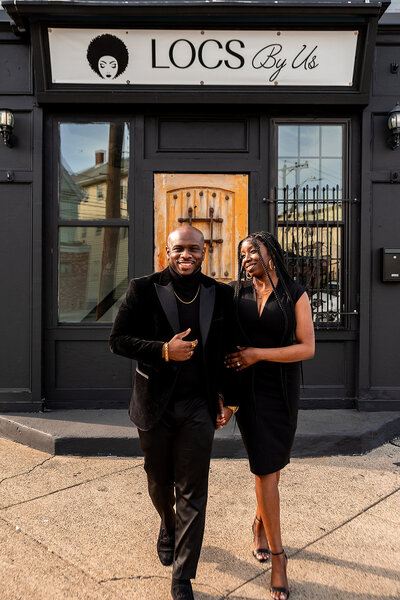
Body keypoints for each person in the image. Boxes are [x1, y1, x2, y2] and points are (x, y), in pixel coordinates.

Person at [109, 225, 236, 600]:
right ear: (167, 251)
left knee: (193, 490)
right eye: (179, 248)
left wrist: (228, 400)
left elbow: (227, 350)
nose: (187, 254)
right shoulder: (143, 288)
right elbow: (117, 341)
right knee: (159, 481)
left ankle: (183, 577)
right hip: (154, 405)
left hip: (199, 406)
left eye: (194, 248)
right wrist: (164, 349)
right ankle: (167, 524)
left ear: (204, 251)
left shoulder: (220, 293)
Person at [223, 231, 315, 600]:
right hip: (246, 392)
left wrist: (258, 354)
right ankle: (279, 557)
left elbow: (306, 348)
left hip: (279, 391)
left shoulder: (296, 294)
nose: (246, 259)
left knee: (271, 469)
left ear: (271, 254)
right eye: (242, 254)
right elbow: (224, 340)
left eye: (253, 252)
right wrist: (225, 398)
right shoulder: (236, 292)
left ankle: (259, 523)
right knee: (264, 470)